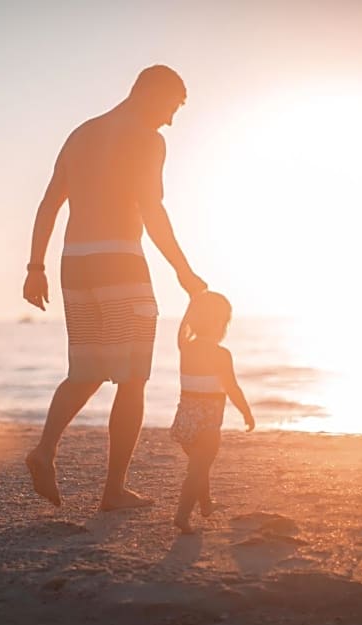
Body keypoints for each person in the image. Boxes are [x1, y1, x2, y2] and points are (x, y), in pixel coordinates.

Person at [22, 65, 207, 511]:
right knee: (133, 378)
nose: (170, 121)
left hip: (75, 264)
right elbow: (152, 211)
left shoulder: (81, 134)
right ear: (151, 93)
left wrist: (34, 267)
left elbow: (50, 203)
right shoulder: (147, 139)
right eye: (171, 107)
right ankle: (113, 492)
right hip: (121, 262)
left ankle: (44, 450)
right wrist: (183, 270)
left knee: (85, 372)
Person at [170, 291, 255, 533]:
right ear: (221, 324)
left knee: (199, 466)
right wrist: (246, 413)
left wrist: (191, 303)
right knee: (197, 470)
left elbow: (182, 328)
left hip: (184, 421)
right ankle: (182, 515)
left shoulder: (185, 347)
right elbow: (232, 388)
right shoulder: (221, 354)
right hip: (207, 424)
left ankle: (206, 504)